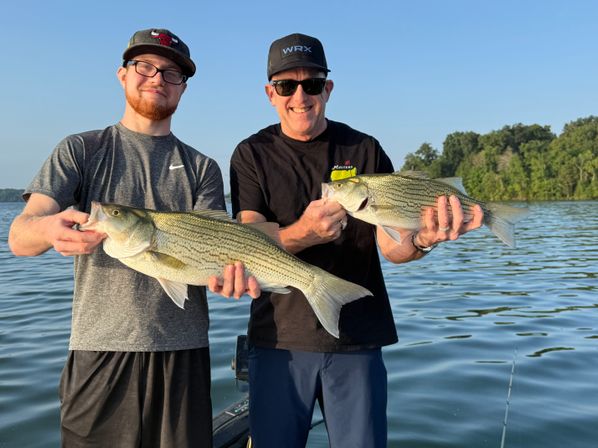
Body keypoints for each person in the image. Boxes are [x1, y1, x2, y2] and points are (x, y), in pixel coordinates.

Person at [224, 33, 484, 447]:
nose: (300, 96)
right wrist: (304, 233)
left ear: (327, 88)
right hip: (279, 341)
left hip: (358, 337)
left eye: (311, 84)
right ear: (270, 93)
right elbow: (250, 241)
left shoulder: (364, 149)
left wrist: (424, 240)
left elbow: (392, 247)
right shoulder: (250, 154)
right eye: (287, 86)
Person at [8, 28, 237, 447]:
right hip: (100, 354)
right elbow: (20, 236)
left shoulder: (203, 168)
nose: (157, 78)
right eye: (144, 67)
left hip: (184, 355)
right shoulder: (81, 149)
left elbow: (218, 248)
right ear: (122, 74)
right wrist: (46, 229)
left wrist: (229, 277)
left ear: (183, 89)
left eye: (171, 73)